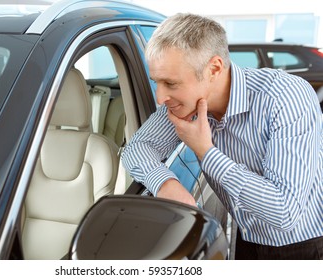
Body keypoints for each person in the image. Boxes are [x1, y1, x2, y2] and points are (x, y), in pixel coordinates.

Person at [121, 13, 323, 259]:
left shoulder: (285, 97)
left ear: (213, 69)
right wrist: (166, 184)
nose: (160, 98)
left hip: (305, 244)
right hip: (246, 235)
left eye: (171, 84)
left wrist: (206, 152)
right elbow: (138, 147)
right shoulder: (185, 104)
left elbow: (284, 211)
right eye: (156, 83)